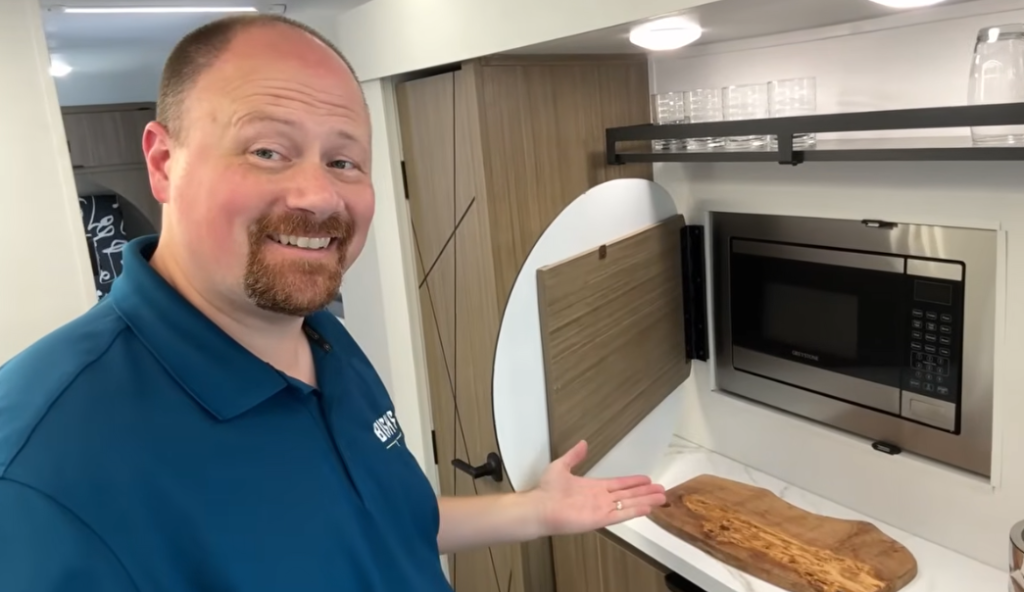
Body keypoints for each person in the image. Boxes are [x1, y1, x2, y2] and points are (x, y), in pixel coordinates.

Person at [0, 14, 666, 591]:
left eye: (345, 162)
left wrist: (536, 511)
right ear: (164, 162)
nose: (318, 197)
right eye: (267, 150)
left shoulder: (319, 336)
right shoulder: (37, 472)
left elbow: (384, 520)